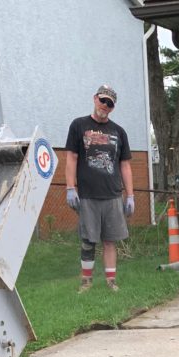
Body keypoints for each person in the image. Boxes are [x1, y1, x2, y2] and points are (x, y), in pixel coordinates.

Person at [64, 85, 135, 293]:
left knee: (110, 240)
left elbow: (125, 165)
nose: (105, 106)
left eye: (110, 104)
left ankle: (111, 281)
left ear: (113, 107)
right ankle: (86, 282)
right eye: (103, 100)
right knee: (88, 240)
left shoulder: (119, 132)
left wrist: (130, 195)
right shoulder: (78, 125)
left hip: (112, 195)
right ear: (95, 99)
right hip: (88, 195)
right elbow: (71, 158)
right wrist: (70, 187)